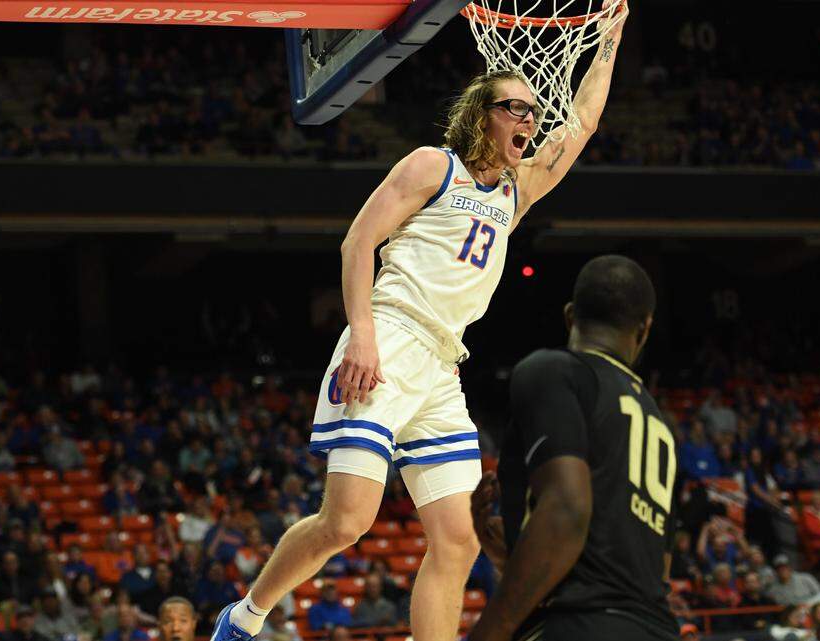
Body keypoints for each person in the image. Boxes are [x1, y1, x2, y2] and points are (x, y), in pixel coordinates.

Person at [209, 7, 629, 641]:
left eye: (533, 110)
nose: (530, 118)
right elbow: (358, 243)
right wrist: (363, 335)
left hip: (442, 364)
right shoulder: (433, 166)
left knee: (460, 540)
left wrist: (611, 35)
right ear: (481, 115)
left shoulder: (516, 191)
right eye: (514, 108)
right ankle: (245, 616)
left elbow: (584, 122)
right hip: (389, 336)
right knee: (347, 522)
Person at [469, 255, 677, 641]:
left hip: (575, 624)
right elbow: (652, 571)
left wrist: (491, 631)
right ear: (645, 328)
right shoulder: (661, 424)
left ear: (569, 316)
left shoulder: (554, 371)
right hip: (656, 629)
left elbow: (567, 509)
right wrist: (511, 555)